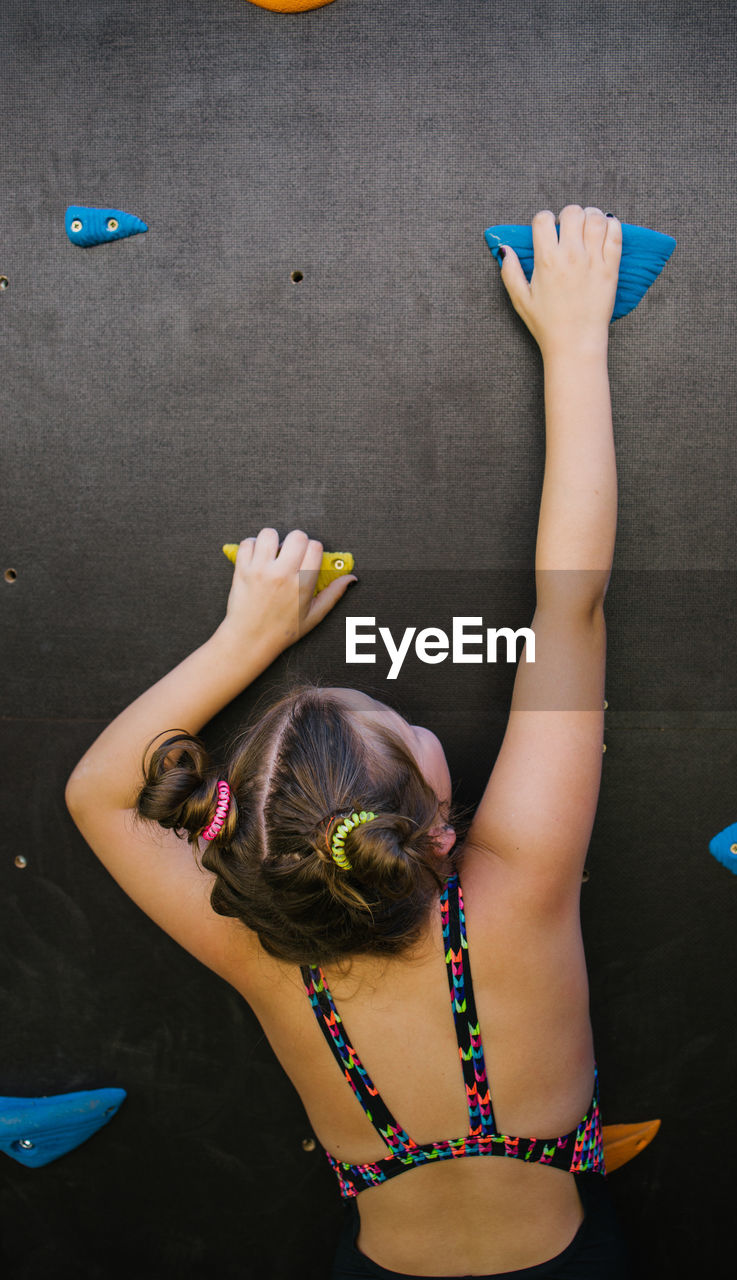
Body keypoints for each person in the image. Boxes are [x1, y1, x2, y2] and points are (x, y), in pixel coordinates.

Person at [65, 205, 633, 1278]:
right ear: (436, 826)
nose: (416, 715)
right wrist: (574, 343)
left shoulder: (264, 951)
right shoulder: (518, 891)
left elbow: (99, 792)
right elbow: (571, 605)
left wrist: (245, 636)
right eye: (408, 727)